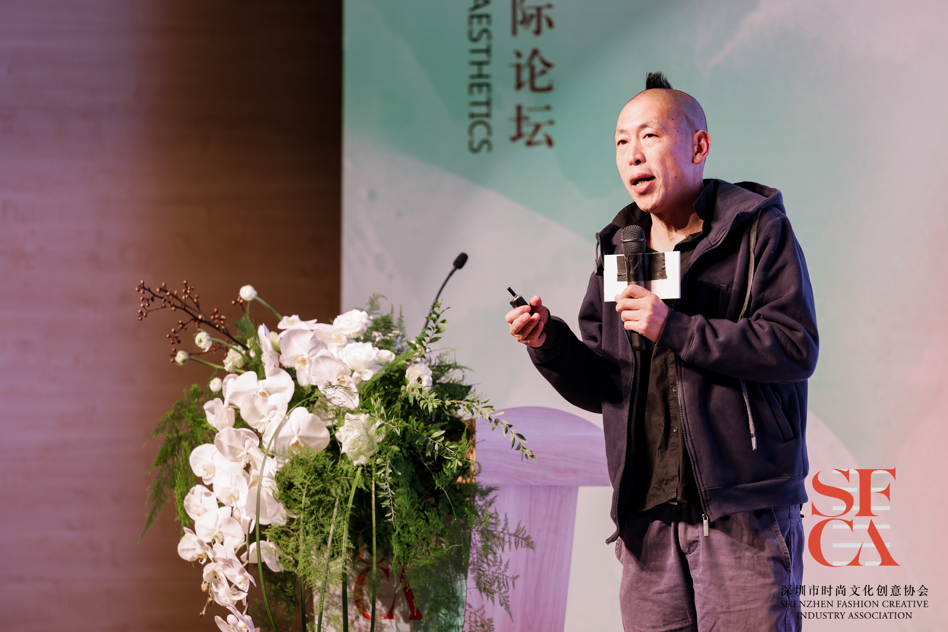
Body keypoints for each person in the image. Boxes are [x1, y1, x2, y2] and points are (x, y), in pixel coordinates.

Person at [505, 72, 818, 632]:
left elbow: (794, 347)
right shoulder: (619, 249)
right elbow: (608, 386)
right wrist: (549, 343)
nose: (633, 155)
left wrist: (676, 329)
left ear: (698, 146)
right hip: (647, 522)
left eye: (649, 136)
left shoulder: (755, 232)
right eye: (621, 142)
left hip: (741, 510)